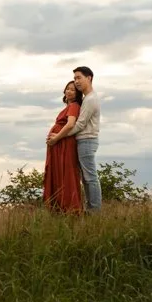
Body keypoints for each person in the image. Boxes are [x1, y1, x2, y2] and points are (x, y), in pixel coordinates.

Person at [48, 66, 102, 212]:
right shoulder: (86, 99)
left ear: (89, 78)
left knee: (90, 177)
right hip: (84, 140)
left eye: (79, 78)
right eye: (75, 78)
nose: (76, 81)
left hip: (87, 140)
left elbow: (79, 125)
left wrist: (58, 137)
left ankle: (94, 211)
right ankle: (89, 209)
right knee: (86, 178)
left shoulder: (90, 99)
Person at [42, 80, 84, 214]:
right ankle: (59, 206)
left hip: (64, 143)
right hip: (60, 143)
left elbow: (70, 124)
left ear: (77, 93)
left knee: (65, 172)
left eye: (73, 90)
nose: (69, 91)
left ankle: (69, 208)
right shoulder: (70, 106)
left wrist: (56, 138)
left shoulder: (74, 106)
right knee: (58, 172)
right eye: (68, 88)